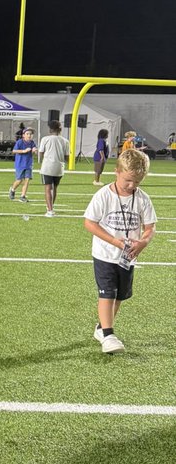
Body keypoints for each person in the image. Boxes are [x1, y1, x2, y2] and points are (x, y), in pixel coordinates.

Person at [84, 148, 156, 354]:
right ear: (116, 171)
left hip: (127, 258)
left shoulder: (142, 198)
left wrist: (143, 242)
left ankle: (101, 328)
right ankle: (108, 335)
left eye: (137, 182)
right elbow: (89, 223)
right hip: (105, 254)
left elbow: (150, 227)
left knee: (119, 296)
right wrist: (114, 241)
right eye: (128, 180)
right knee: (107, 292)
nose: (132, 185)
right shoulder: (103, 195)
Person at [38, 120, 69, 216]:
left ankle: (50, 210)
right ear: (60, 129)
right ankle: (50, 208)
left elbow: (41, 152)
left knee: (48, 188)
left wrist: (45, 159)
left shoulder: (45, 139)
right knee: (54, 188)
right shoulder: (65, 141)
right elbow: (67, 157)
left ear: (50, 129)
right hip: (59, 167)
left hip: (47, 166)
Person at [8, 127, 36, 203]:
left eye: (30, 134)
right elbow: (14, 151)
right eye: (27, 134)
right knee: (19, 180)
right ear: (23, 135)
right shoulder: (20, 142)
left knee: (27, 180)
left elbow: (34, 150)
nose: (29, 135)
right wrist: (24, 151)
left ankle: (22, 196)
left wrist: (34, 150)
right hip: (20, 164)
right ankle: (12, 189)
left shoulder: (32, 142)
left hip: (29, 164)